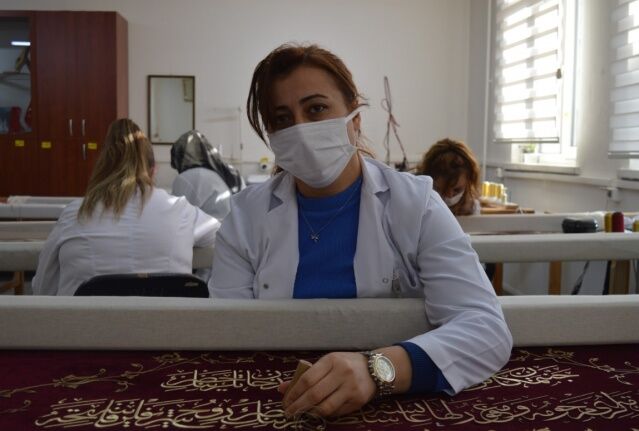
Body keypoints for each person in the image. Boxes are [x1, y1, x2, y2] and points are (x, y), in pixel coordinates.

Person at [209, 43, 512, 418]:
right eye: (282, 119)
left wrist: (378, 370)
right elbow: (228, 335)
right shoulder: (244, 218)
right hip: (280, 399)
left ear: (355, 118)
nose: (300, 130)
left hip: (394, 401)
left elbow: (486, 329)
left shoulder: (415, 204)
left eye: (316, 109)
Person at [32, 119, 220, 296]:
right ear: (153, 170)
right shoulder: (180, 210)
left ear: (102, 168)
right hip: (166, 320)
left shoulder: (74, 214)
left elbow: (42, 288)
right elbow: (221, 234)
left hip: (87, 321)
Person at [171, 130, 244, 220]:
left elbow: (176, 215)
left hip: (213, 227)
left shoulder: (186, 178)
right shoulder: (229, 171)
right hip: (236, 225)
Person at [415, 138, 481, 216]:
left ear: (469, 181)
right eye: (441, 189)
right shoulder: (416, 200)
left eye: (457, 190)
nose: (449, 196)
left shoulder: (472, 207)